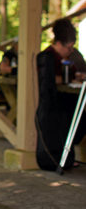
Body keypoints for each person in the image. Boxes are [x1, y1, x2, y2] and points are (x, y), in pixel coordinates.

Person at [35, 18, 86, 171]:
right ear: (60, 43)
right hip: (55, 105)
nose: (70, 51)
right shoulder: (48, 57)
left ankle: (68, 157)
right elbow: (52, 79)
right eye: (69, 48)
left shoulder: (66, 57)